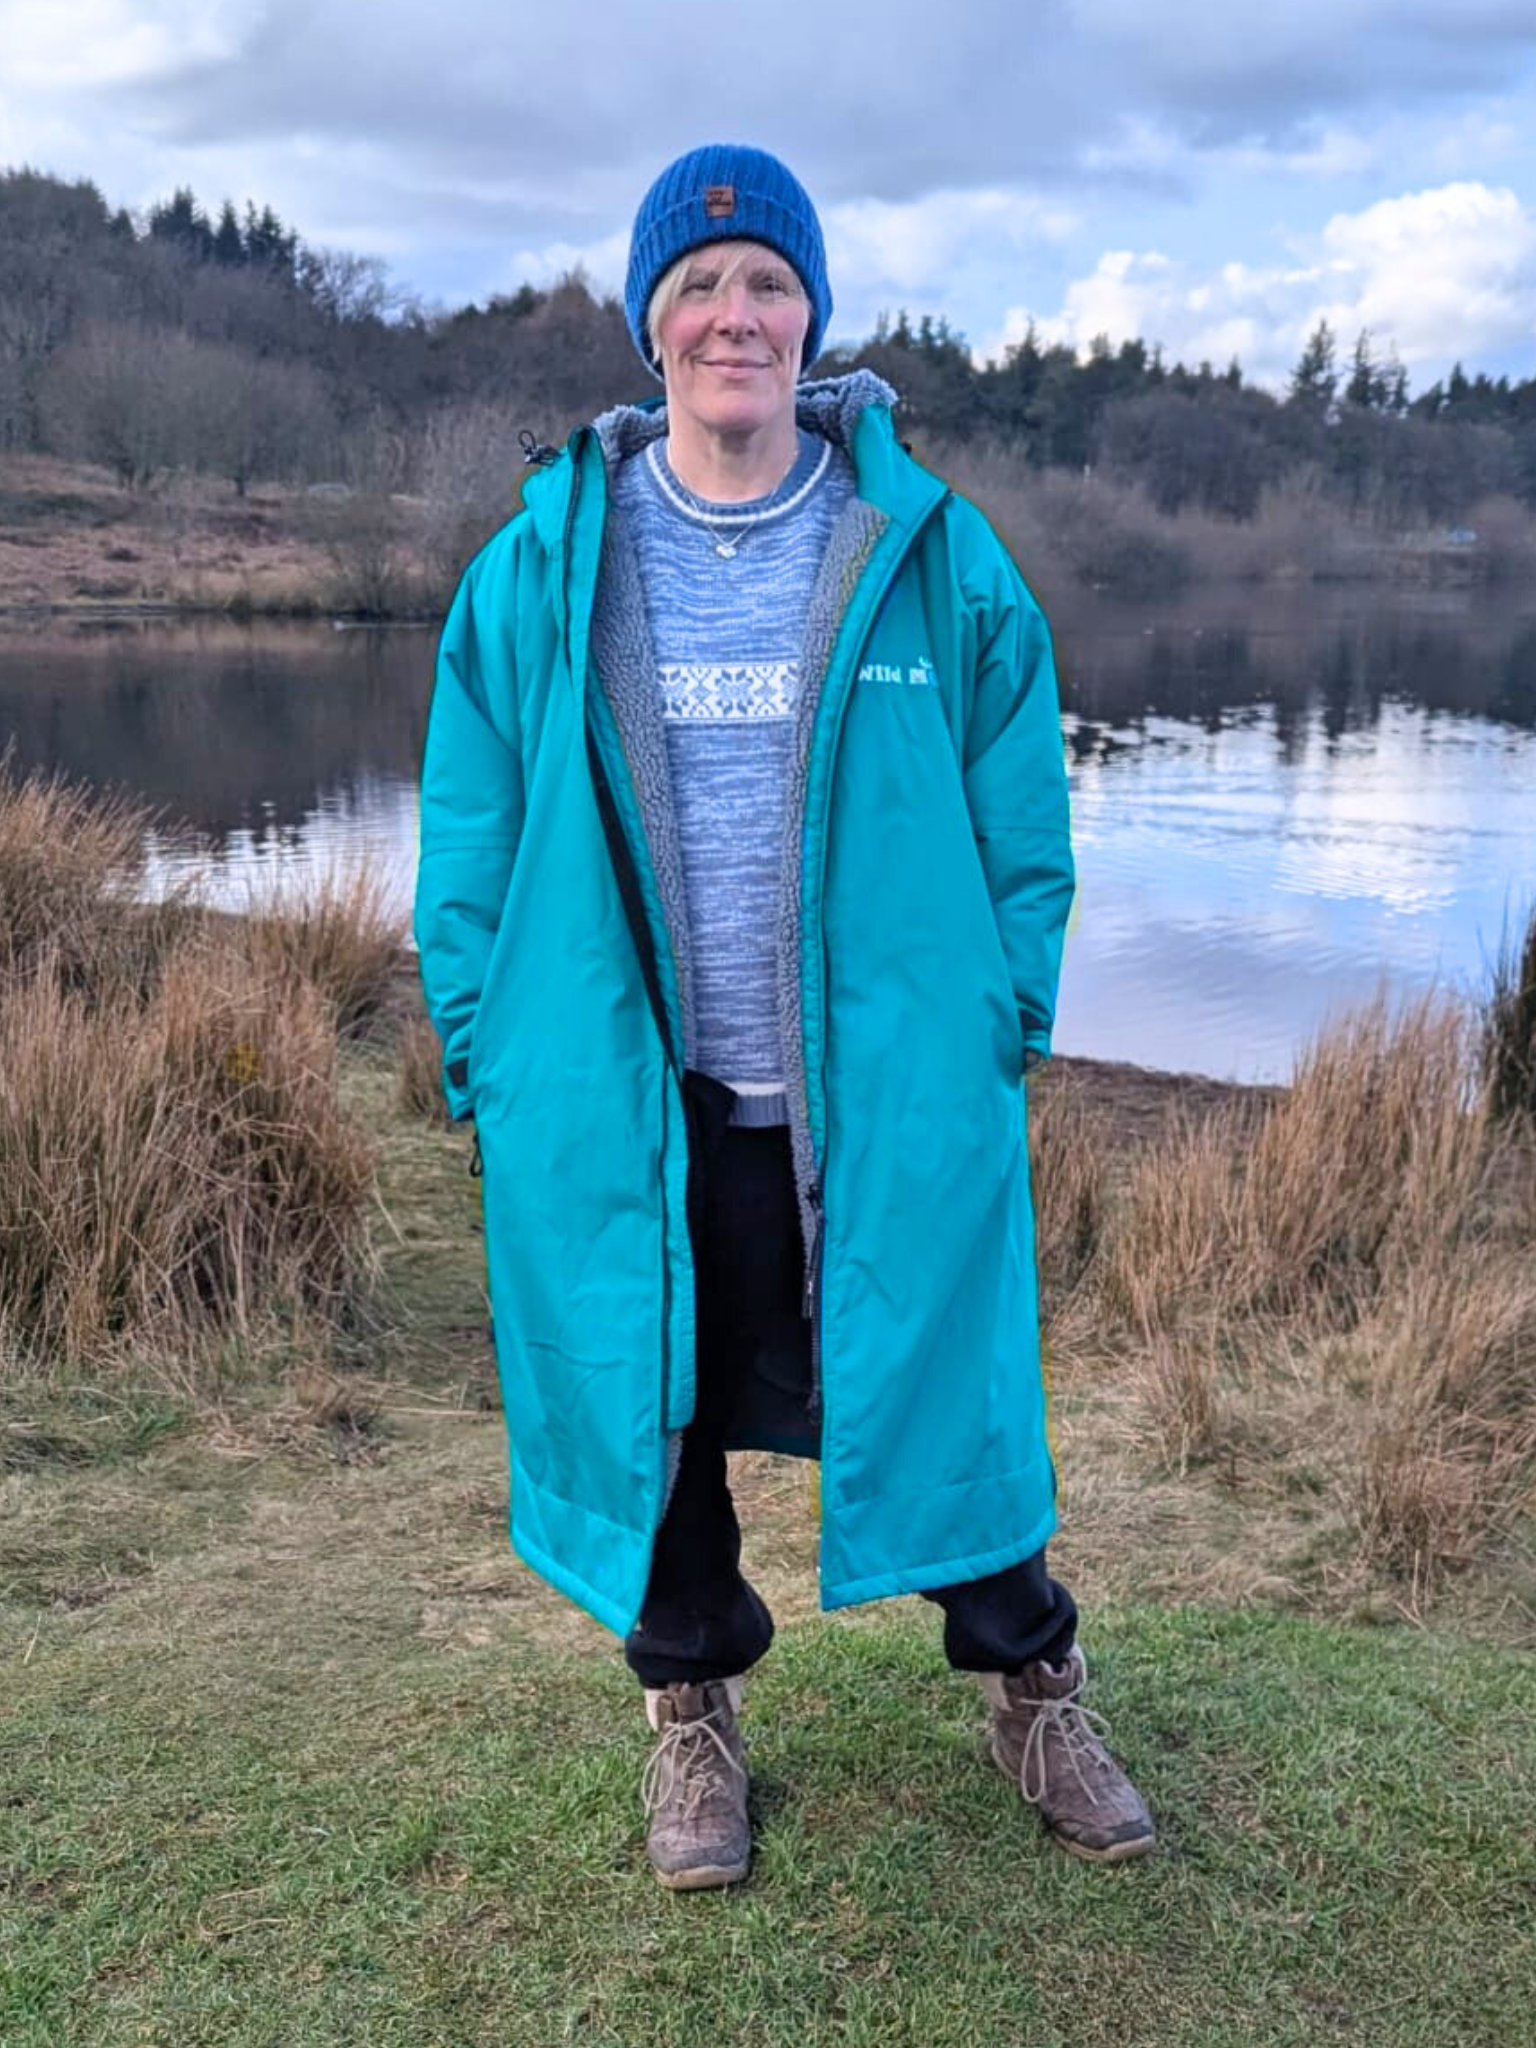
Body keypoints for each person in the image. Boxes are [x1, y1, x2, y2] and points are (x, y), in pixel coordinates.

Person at [414, 142, 1154, 1891]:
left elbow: (1019, 817)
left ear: (812, 315)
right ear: (650, 324)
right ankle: (690, 1722)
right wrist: (484, 1055)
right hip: (633, 1101)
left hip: (881, 1098)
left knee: (955, 1397)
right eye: (697, 287)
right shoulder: (540, 572)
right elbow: (471, 832)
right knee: (655, 1423)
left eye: (764, 285)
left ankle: (1033, 1683)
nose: (731, 315)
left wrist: (1002, 1017)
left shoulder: (930, 553)